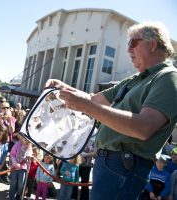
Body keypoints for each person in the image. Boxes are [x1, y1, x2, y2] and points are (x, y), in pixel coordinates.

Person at [45, 21, 177, 200]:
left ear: (152, 44)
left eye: (133, 43)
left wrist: (87, 107)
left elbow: (144, 127)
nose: (128, 50)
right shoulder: (136, 79)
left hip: (123, 166)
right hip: (111, 163)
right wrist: (63, 88)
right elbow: (93, 99)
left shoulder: (168, 77)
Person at [9, 134, 32, 200]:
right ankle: (11, 197)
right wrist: (16, 164)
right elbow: (12, 155)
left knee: (21, 183)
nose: (22, 140)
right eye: (22, 138)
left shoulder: (29, 146)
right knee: (13, 182)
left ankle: (18, 194)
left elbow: (29, 154)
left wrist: (29, 156)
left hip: (23, 167)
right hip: (14, 166)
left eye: (24, 139)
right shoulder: (16, 145)